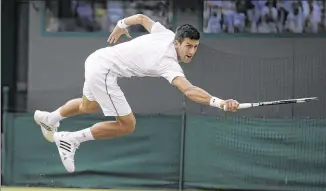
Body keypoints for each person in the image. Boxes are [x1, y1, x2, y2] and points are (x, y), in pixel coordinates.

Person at [34, 14, 240, 173]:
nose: (192, 51)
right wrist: (220, 103)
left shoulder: (165, 34)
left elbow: (141, 18)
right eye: (188, 46)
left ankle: (49, 118)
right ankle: (71, 139)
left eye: (195, 47)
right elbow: (189, 90)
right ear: (177, 42)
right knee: (127, 124)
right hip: (104, 70)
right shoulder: (167, 63)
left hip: (96, 59)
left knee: (88, 106)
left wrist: (121, 24)